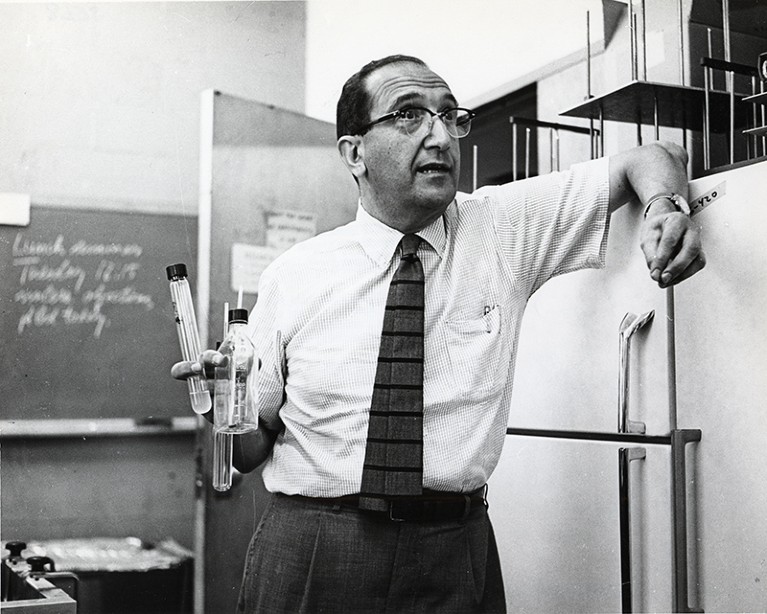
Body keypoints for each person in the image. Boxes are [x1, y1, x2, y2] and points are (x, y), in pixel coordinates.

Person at [172, 54, 705, 613]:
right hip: (313, 547)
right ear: (354, 153)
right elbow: (252, 447)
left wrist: (665, 207)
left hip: (451, 547)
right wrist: (218, 405)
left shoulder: (502, 225)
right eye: (408, 115)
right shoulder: (296, 273)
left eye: (450, 116)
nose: (440, 135)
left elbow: (656, 156)